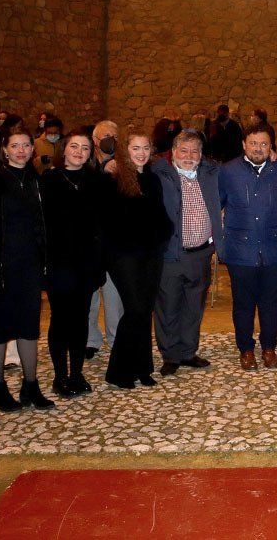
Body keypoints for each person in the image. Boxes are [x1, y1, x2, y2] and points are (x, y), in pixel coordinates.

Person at [0, 129, 54, 411]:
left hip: (31, 264)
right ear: (5, 149)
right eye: (15, 145)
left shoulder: (38, 179)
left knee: (29, 327)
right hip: (2, 264)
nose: (21, 150)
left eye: (26, 145)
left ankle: (30, 385)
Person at [100, 134, 172, 388]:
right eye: (135, 148)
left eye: (145, 148)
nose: (140, 153)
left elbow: (160, 215)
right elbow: (107, 221)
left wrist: (165, 235)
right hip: (124, 255)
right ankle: (119, 371)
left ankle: (143, 368)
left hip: (151, 253)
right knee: (135, 309)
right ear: (125, 150)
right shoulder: (113, 179)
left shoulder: (152, 179)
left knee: (145, 310)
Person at [219, 124, 277, 371]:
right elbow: (217, 206)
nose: (258, 148)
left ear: (271, 147)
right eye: (253, 143)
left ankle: (269, 347)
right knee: (243, 304)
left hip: (274, 248)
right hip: (241, 251)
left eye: (264, 144)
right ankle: (246, 349)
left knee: (271, 302)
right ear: (243, 145)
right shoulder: (227, 172)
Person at [41, 130, 106, 397]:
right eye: (74, 146)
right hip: (59, 261)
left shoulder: (96, 181)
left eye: (85, 148)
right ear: (64, 150)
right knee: (60, 320)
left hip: (86, 261)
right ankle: (60, 376)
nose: (79, 151)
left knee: (81, 320)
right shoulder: (48, 180)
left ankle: (77, 373)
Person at [153, 130, 222, 376]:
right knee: (168, 306)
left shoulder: (211, 175)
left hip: (201, 253)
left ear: (201, 155)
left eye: (194, 151)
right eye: (183, 150)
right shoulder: (160, 175)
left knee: (194, 306)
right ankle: (170, 354)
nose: (189, 156)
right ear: (173, 152)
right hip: (172, 253)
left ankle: (188, 351)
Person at [86, 120, 123, 359]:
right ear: (95, 141)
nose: (110, 139)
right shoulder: (85, 164)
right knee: (88, 296)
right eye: (105, 136)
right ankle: (90, 340)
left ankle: (116, 338)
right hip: (88, 241)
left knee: (113, 296)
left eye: (114, 135)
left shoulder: (122, 166)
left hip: (113, 241)